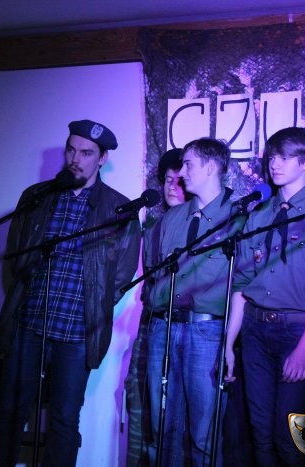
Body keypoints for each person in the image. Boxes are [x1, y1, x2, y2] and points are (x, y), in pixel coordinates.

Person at [0, 119, 141, 467]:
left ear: (102, 159)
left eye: (86, 153)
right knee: (10, 412)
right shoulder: (37, 197)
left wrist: (92, 305)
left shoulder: (120, 209)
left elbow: (121, 276)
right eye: (71, 150)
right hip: (30, 324)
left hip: (77, 332)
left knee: (64, 420)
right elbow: (16, 255)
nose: (75, 159)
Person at [224, 126, 305, 466]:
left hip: (295, 331)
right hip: (254, 331)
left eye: (285, 157)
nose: (274, 164)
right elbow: (242, 283)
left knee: (291, 435)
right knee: (260, 433)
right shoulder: (259, 214)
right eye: (272, 157)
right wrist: (229, 344)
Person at [147, 137, 244, 466]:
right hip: (163, 329)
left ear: (211, 167)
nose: (182, 172)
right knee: (163, 431)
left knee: (205, 436)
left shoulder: (238, 217)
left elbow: (242, 286)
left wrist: (229, 343)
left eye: (188, 164)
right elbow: (157, 275)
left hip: (206, 332)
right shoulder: (173, 217)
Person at [125, 148, 186, 466]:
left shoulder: (202, 225)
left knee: (176, 413)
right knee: (139, 400)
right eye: (167, 180)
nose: (172, 186)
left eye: (180, 180)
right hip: (151, 323)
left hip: (185, 326)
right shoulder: (153, 225)